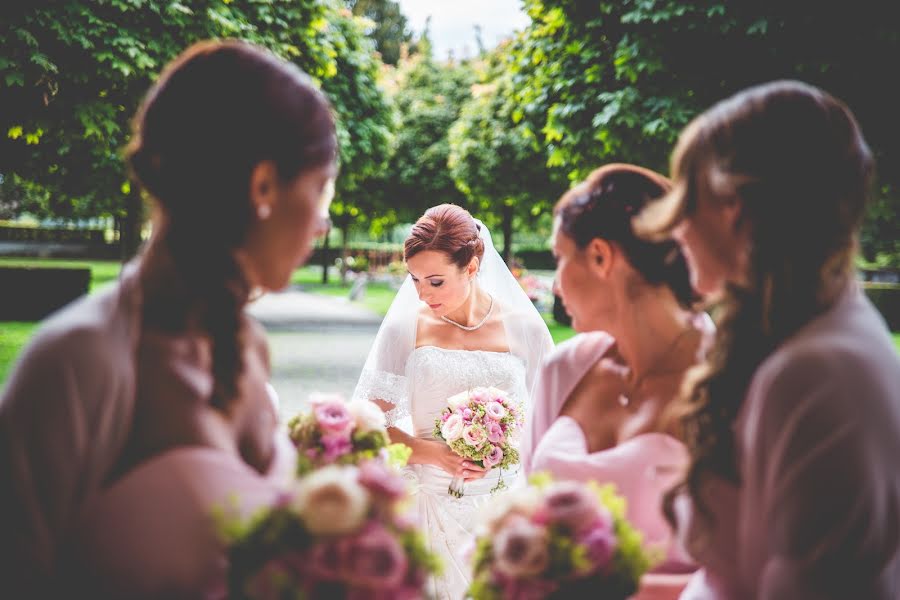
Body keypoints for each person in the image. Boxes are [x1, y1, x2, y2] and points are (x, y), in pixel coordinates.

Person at [0, 39, 337, 598]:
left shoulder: (248, 346)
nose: (324, 221)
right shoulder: (78, 361)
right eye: (322, 188)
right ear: (263, 186)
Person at [637, 80, 900, 599]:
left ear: (736, 206)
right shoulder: (779, 335)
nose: (677, 229)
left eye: (687, 197)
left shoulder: (819, 374)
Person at [523, 164, 711, 588]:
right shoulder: (563, 371)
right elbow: (527, 508)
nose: (555, 285)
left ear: (601, 257)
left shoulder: (727, 380)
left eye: (559, 258)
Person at [353, 203, 554, 599]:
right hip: (428, 505)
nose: (423, 294)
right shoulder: (403, 329)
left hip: (504, 509)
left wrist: (507, 450)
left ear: (473, 267)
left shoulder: (524, 328)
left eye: (435, 281)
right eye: (413, 280)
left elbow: (550, 422)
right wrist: (428, 452)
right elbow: (369, 425)